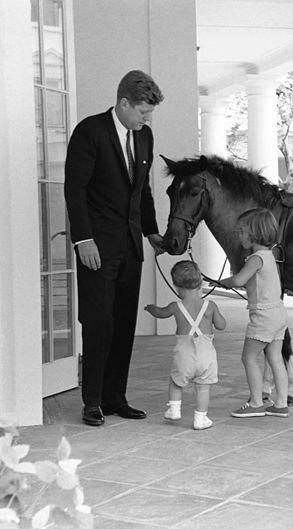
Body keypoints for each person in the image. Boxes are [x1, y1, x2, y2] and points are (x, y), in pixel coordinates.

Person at [64, 70, 164, 426]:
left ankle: (115, 397)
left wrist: (152, 232)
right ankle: (91, 400)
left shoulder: (145, 137)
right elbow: (74, 190)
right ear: (123, 103)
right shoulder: (90, 132)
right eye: (143, 111)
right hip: (96, 246)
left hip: (130, 247)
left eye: (149, 113)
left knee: (123, 322)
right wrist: (83, 238)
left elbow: (143, 191)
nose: (147, 119)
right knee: (98, 321)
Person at [214, 208, 290, 418]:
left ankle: (256, 403)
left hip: (264, 316)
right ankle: (281, 404)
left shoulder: (256, 258)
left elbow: (238, 280)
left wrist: (221, 282)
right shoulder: (270, 256)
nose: (238, 236)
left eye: (241, 231)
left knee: (248, 358)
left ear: (254, 233)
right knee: (274, 357)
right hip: (278, 313)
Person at [145, 261, 226, 430]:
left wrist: (151, 308)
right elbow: (221, 325)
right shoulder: (210, 306)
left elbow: (160, 313)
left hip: (184, 354)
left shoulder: (175, 307)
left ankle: (174, 409)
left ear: (176, 286)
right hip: (206, 356)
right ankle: (200, 418)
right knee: (203, 387)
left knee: (176, 382)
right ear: (200, 283)